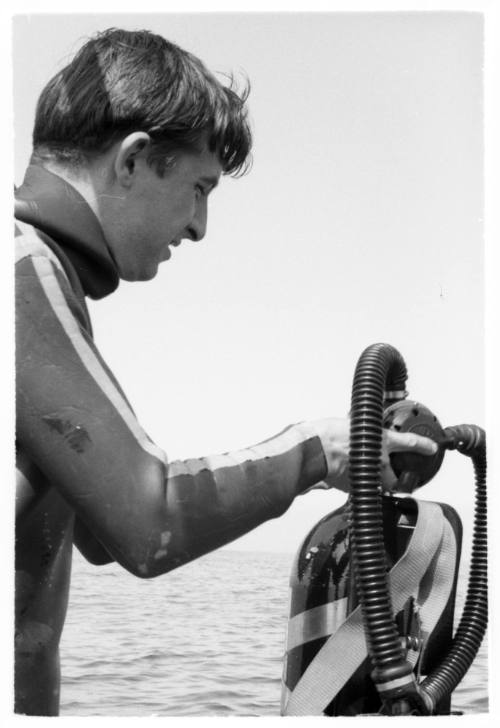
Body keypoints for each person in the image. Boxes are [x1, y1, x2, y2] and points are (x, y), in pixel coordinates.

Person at [14, 28, 438, 716]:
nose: (200, 227)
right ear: (133, 160)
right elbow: (146, 526)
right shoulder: (21, 275)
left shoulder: (40, 281)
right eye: (199, 189)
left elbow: (97, 535)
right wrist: (316, 450)